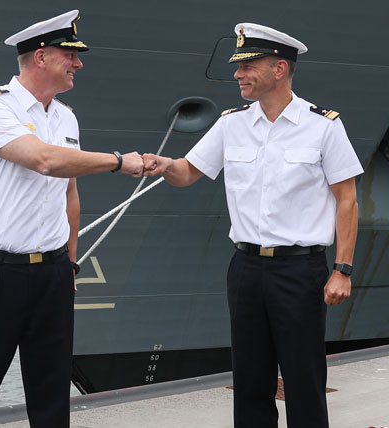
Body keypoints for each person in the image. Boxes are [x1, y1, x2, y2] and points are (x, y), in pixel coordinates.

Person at [142, 23, 363, 428]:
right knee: (249, 379)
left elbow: (346, 199)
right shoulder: (232, 124)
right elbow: (188, 172)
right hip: (245, 269)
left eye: (248, 66)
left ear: (279, 69)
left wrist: (342, 269)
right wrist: (164, 166)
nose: (238, 74)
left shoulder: (323, 126)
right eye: (239, 67)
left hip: (300, 270)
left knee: (302, 378)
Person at [0, 10, 143, 428]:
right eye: (70, 55)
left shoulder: (65, 116)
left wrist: (69, 262)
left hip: (52, 274)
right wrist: (120, 162)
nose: (78, 63)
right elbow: (45, 160)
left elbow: (69, 192)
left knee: (52, 397)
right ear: (40, 57)